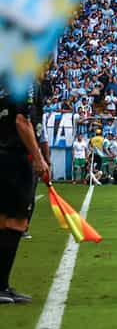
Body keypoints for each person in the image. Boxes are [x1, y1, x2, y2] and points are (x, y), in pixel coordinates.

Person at [0, 84, 51, 302]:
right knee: (17, 222)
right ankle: (1, 286)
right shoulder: (26, 80)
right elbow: (22, 121)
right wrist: (39, 159)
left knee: (2, 220)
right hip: (13, 157)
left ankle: (2, 285)